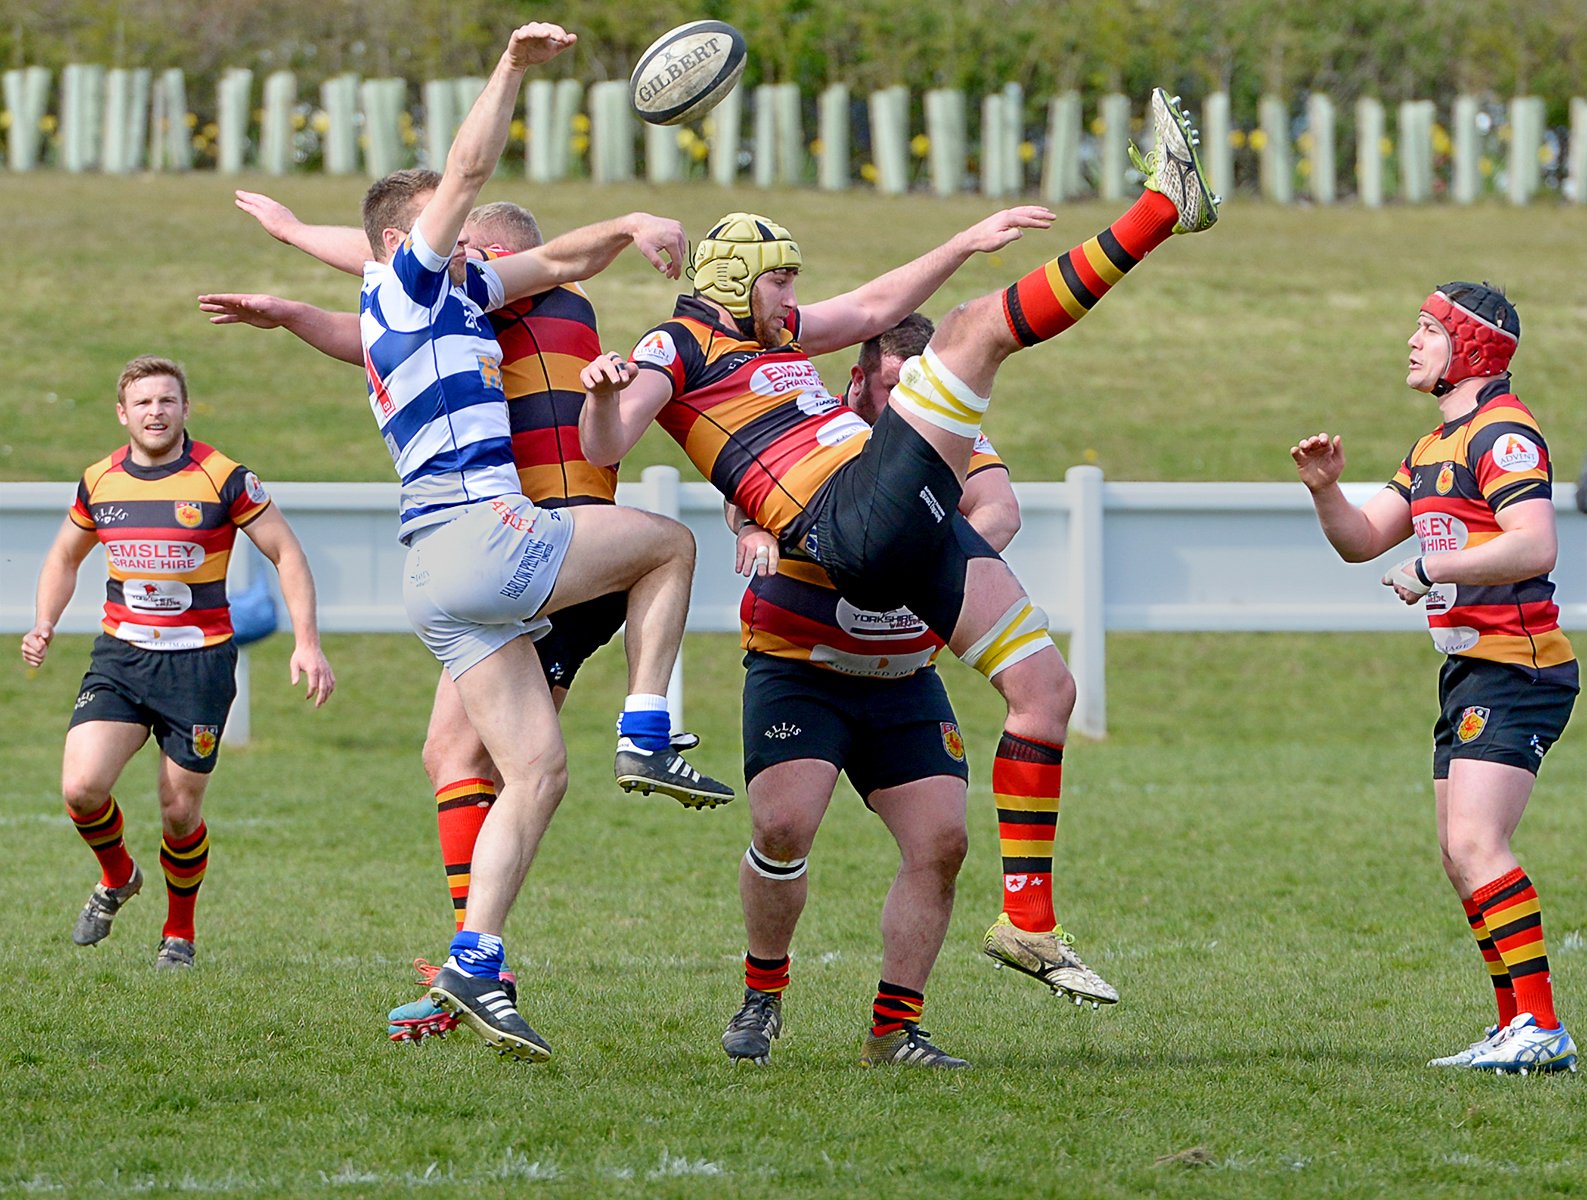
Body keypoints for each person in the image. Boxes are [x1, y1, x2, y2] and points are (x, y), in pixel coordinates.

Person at [581, 89, 1218, 1060]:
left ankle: (1026, 921)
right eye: (782, 282)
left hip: (898, 550)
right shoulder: (683, 344)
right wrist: (602, 393)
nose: (798, 302)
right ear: (734, 281)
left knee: (1046, 690)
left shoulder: (778, 340)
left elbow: (878, 307)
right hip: (841, 528)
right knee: (972, 333)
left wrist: (967, 237)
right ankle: (1161, 210)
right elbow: (613, 441)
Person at [201, 196, 699, 1043]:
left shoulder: (516, 302)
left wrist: (625, 225)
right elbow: (373, 308)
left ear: (492, 250)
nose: (447, 250)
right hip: (514, 560)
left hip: (549, 560)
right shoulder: (472, 307)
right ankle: (473, 963)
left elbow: (473, 274)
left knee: (487, 757)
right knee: (459, 753)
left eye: (463, 241)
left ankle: (478, 964)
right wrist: (290, 259)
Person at [342, 21, 732, 1063]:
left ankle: (475, 961)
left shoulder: (459, 291)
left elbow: (557, 256)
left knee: (537, 771)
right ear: (399, 243)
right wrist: (512, 65)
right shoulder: (406, 284)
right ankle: (648, 727)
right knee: (667, 545)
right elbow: (470, 166)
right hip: (484, 529)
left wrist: (636, 219)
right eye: (447, 229)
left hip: (435, 572)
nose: (465, 238)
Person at [721, 312, 1111, 1068]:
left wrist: (914, 553)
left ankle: (893, 1029)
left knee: (940, 843)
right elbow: (747, 494)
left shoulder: (941, 439)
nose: (906, 406)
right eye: (893, 389)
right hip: (801, 670)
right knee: (781, 828)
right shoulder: (817, 430)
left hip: (903, 681)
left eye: (918, 390)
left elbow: (998, 510)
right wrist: (755, 529)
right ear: (857, 380)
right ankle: (761, 996)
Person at [1291, 282, 1577, 1075]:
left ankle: (1543, 1029)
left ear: (1472, 346)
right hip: (1468, 670)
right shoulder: (1428, 450)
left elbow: (1533, 545)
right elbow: (1360, 541)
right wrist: (1323, 491)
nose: (1410, 342)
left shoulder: (1504, 434)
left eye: (1426, 329)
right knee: (1458, 856)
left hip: (1517, 667)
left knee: (1476, 842)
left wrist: (1432, 564)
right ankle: (1514, 1023)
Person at [21, 355, 335, 970]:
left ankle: (179, 934)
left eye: (167, 401)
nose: (155, 412)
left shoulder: (224, 479)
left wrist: (308, 641)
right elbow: (63, 557)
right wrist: (45, 621)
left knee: (179, 809)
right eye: (143, 403)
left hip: (199, 666)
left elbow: (287, 554)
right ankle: (118, 878)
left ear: (185, 409)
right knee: (82, 789)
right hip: (121, 657)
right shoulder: (100, 480)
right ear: (123, 414)